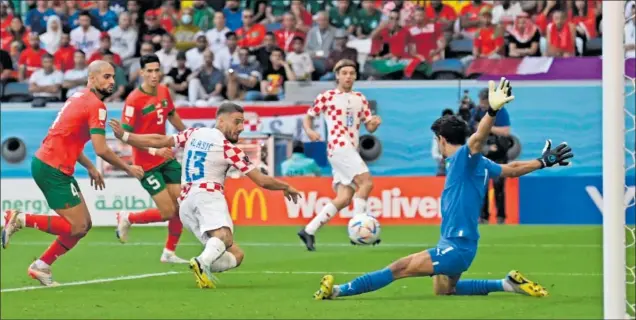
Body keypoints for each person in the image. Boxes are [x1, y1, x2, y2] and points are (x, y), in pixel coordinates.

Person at [313, 77, 574, 301]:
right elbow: (513, 169)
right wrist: (543, 161)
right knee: (443, 290)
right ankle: (506, 284)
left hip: (457, 245)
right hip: (460, 243)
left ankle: (336, 291)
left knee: (399, 268)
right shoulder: (479, 163)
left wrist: (491, 112)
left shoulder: (464, 158)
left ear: (441, 140)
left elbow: (477, 139)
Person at [107, 102, 302, 289]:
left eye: (242, 122)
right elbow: (261, 180)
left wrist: (125, 136)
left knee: (236, 255)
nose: (241, 127)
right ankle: (201, 262)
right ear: (220, 121)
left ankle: (201, 264)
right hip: (207, 195)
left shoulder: (194, 133)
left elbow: (160, 140)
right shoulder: (228, 149)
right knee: (224, 237)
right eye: (237, 121)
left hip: (186, 205)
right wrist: (285, 186)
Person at [2, 60, 144, 287]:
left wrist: (89, 166)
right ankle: (20, 219)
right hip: (52, 168)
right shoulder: (96, 106)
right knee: (77, 226)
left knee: (84, 225)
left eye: (112, 77)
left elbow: (70, 137)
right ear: (92, 78)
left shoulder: (78, 97)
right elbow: (101, 148)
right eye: (106, 77)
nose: (111, 81)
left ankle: (41, 266)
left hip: (51, 165)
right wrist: (129, 168)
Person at [298, 59, 382, 251]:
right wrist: (310, 131)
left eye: (351, 73)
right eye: (344, 73)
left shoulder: (360, 98)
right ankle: (359, 231)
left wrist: (374, 124)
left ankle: (309, 230)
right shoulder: (327, 96)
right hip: (338, 146)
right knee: (367, 183)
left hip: (351, 148)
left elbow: (369, 125)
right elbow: (309, 116)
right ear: (337, 75)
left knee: (344, 197)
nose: (348, 76)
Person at [116, 54, 189, 264]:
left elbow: (171, 114)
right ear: (141, 73)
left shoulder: (165, 91)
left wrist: (188, 135)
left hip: (166, 158)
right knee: (167, 211)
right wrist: (154, 150)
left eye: (157, 70)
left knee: (180, 206)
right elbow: (125, 137)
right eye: (149, 71)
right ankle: (128, 217)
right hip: (146, 164)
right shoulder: (133, 100)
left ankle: (169, 253)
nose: (154, 75)